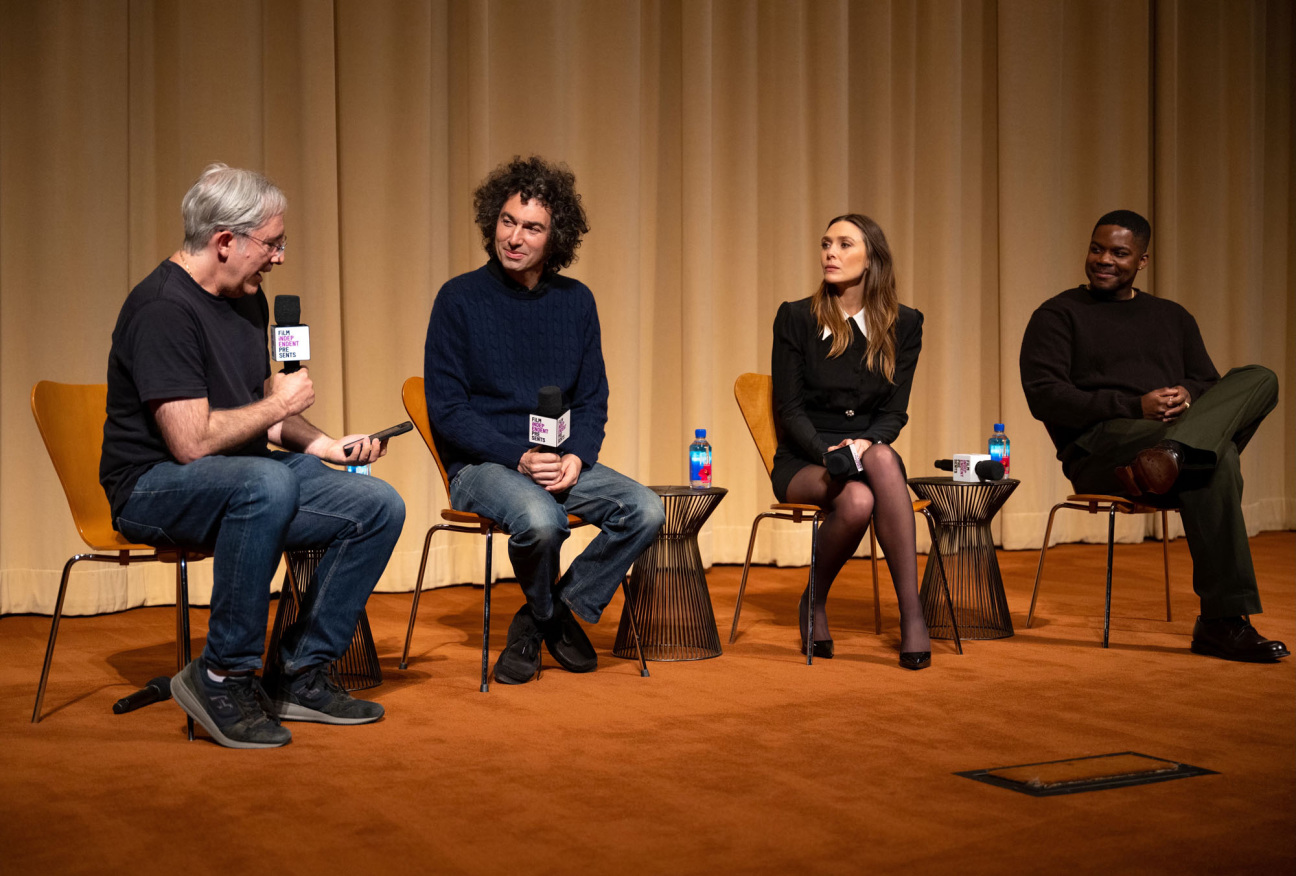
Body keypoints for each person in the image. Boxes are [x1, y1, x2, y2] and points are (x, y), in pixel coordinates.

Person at [101, 164, 406, 748]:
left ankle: (297, 672)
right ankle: (221, 675)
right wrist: (277, 406)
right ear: (224, 242)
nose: (280, 257)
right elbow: (190, 443)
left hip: (242, 475)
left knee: (375, 504)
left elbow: (257, 407)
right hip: (153, 486)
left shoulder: (244, 298)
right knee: (265, 485)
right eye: (272, 243)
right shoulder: (163, 309)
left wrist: (323, 445)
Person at [423, 155, 665, 685]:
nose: (515, 237)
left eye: (532, 227)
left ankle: (541, 616)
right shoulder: (458, 299)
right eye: (508, 221)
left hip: (559, 462)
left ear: (554, 238)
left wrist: (576, 457)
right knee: (540, 521)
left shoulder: (576, 302)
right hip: (484, 466)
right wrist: (519, 456)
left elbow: (594, 398)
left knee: (645, 510)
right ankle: (551, 617)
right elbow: (447, 410)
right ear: (493, 223)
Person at [1019, 209, 1287, 663]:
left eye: (1119, 253)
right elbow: (1045, 398)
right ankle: (1223, 623)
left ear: (1142, 260)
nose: (1104, 260)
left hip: (1166, 441)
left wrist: (1189, 392)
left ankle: (1177, 453)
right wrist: (1132, 405)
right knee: (1217, 460)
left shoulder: (1172, 316)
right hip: (1101, 449)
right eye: (1096, 248)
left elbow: (1208, 382)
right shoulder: (1059, 314)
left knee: (1260, 377)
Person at [771, 213, 933, 670]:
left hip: (869, 449)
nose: (830, 253)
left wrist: (863, 444)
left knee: (880, 458)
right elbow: (790, 410)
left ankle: (911, 614)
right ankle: (815, 602)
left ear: (872, 258)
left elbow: (894, 412)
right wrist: (829, 453)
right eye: (826, 244)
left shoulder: (906, 324)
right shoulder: (797, 317)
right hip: (806, 456)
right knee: (857, 501)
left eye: (844, 245)